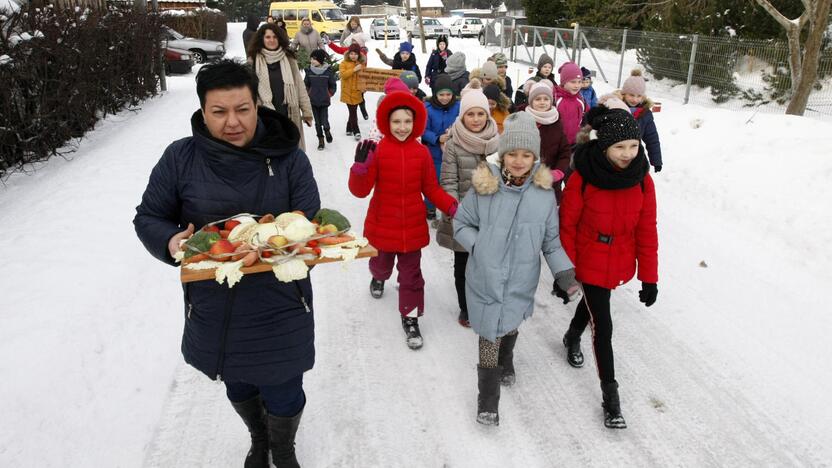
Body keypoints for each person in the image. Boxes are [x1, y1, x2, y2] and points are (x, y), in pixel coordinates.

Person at [134, 60, 321, 468]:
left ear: (258, 105)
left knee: (284, 385)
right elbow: (149, 217)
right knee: (237, 382)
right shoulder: (181, 158)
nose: (232, 122)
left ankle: (284, 448)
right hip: (215, 301)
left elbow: (309, 219)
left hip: (281, 301)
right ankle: (259, 438)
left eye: (243, 109)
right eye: (219, 112)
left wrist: (291, 241)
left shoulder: (288, 158)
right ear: (203, 112)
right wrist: (170, 240)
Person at [453, 111, 579, 426]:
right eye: (513, 153)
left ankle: (506, 359)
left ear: (535, 156)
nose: (519, 160)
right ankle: (487, 402)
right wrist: (478, 245)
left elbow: (550, 242)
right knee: (487, 335)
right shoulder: (485, 186)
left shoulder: (544, 194)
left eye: (526, 154)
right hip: (485, 277)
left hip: (521, 279)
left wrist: (565, 273)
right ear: (503, 154)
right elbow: (461, 223)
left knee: (509, 325)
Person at [558, 104, 659, 430]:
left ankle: (572, 335)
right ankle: (611, 397)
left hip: (620, 257)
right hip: (588, 256)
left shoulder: (642, 180)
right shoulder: (583, 178)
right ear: (604, 146)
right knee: (604, 324)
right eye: (620, 147)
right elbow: (567, 227)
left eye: (633, 146)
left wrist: (649, 277)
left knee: (593, 305)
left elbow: (647, 229)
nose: (628, 153)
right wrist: (566, 272)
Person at [348, 91, 458, 350]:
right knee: (381, 265)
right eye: (396, 122)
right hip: (382, 226)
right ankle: (378, 277)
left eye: (407, 121)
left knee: (411, 276)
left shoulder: (421, 154)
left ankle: (410, 317)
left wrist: (453, 207)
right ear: (387, 122)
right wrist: (359, 169)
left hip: (412, 228)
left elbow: (431, 189)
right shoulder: (377, 150)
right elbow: (360, 191)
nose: (402, 127)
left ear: (416, 122)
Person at [437, 82, 500, 328]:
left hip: (492, 217)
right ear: (462, 116)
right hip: (463, 215)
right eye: (470, 114)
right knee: (463, 265)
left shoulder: (497, 140)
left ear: (488, 114)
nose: (475, 119)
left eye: (480, 113)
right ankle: (466, 308)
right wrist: (458, 213)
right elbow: (449, 180)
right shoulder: (454, 143)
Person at [247, 24, 314, 151]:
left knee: (292, 150)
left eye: (275, 37)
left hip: (289, 113)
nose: (271, 40)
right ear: (262, 39)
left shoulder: (289, 59)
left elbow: (300, 87)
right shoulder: (253, 61)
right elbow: (250, 92)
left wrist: (307, 112)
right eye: (267, 37)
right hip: (266, 116)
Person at [524, 81, 571, 203]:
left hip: (550, 183)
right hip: (524, 180)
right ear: (531, 101)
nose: (542, 102)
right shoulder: (522, 120)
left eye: (546, 99)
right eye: (538, 99)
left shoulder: (556, 123)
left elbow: (565, 152)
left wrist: (558, 172)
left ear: (551, 101)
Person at [422, 73, 460, 221]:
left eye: (448, 94)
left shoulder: (458, 106)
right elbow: (423, 130)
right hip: (435, 153)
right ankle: (430, 207)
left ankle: (451, 207)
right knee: (434, 182)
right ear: (435, 94)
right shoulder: (428, 108)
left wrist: (455, 132)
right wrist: (437, 138)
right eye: (441, 94)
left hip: (454, 151)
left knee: (452, 181)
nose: (445, 98)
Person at [620, 69, 663, 172]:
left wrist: (656, 160)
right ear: (624, 94)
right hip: (616, 153)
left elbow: (652, 138)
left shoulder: (645, 114)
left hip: (635, 155)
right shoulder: (615, 107)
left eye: (639, 96)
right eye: (631, 95)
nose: (635, 99)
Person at [304, 48, 337, 150]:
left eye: (314, 59)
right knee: (317, 123)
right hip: (313, 101)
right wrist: (308, 93)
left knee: (324, 121)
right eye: (311, 59)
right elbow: (306, 85)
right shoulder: (309, 71)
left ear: (320, 60)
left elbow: (332, 85)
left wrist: (329, 94)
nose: (312, 61)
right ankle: (321, 140)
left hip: (324, 101)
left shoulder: (327, 72)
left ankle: (327, 130)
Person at [554, 61, 586, 146]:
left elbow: (585, 117)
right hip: (558, 145)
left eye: (579, 82)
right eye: (573, 82)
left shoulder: (580, 99)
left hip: (574, 143)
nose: (577, 85)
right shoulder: (556, 99)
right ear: (564, 82)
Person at [339, 43, 365, 140]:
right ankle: (356, 131)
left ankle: (348, 128)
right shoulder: (343, 63)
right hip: (347, 92)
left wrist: (364, 87)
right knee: (353, 112)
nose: (353, 56)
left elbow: (364, 77)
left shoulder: (361, 64)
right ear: (348, 54)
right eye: (351, 53)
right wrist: (354, 69)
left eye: (355, 54)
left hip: (357, 92)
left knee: (352, 112)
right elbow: (343, 75)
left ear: (359, 55)